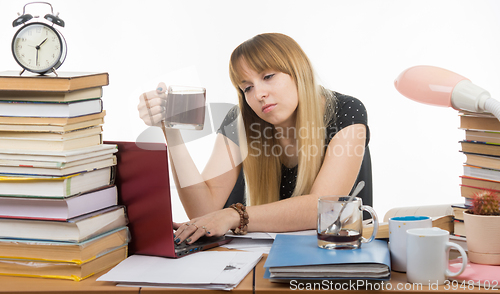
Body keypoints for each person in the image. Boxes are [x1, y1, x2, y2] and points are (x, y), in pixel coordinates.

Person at [137, 33, 369, 245]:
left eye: (268, 76)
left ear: (299, 72)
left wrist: (234, 216)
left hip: (334, 254)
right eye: (247, 88)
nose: (258, 94)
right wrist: (170, 130)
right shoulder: (239, 121)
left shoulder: (346, 111)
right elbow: (203, 210)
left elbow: (322, 208)